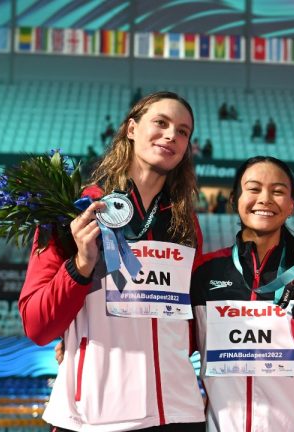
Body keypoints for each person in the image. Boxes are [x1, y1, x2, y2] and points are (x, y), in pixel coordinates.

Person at [19, 91, 206, 431]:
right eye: (161, 123)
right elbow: (37, 324)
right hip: (94, 415)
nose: (171, 136)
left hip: (178, 412)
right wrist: (80, 266)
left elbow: (188, 324)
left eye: (183, 131)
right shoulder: (75, 209)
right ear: (131, 128)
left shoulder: (185, 223)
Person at [190, 156, 294, 431]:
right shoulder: (204, 272)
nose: (265, 199)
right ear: (234, 199)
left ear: (291, 206)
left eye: (277, 191)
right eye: (253, 189)